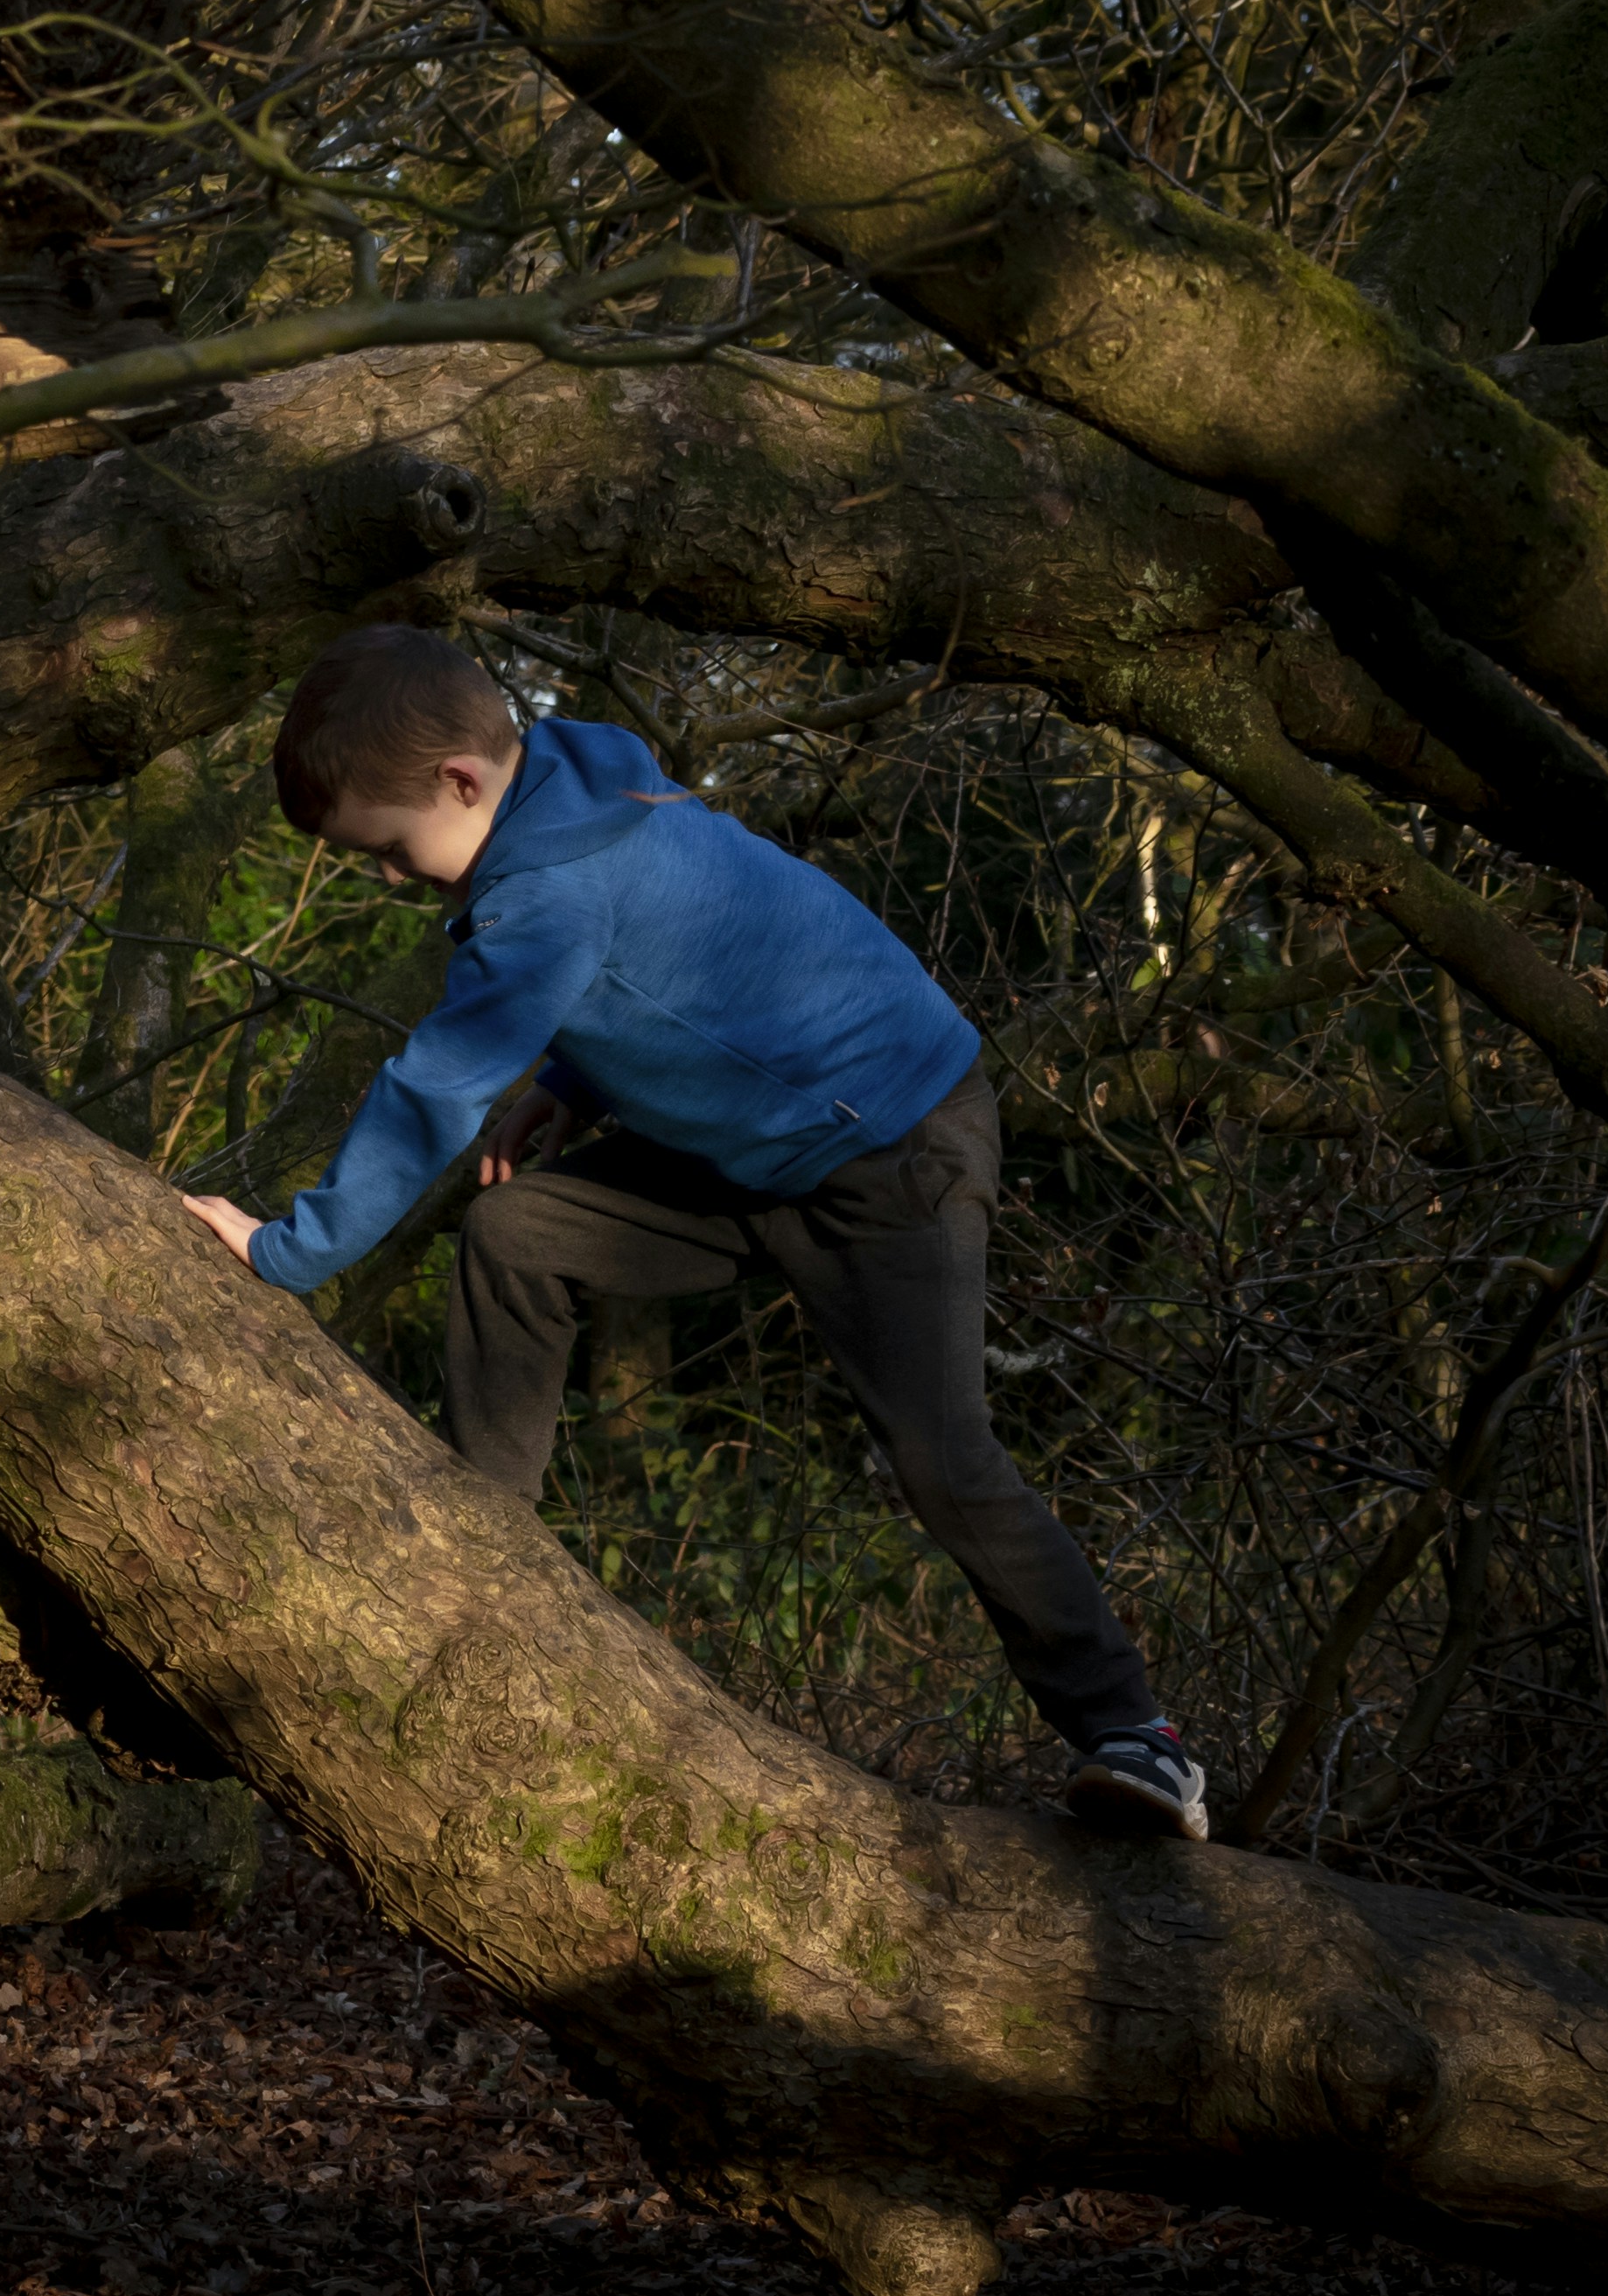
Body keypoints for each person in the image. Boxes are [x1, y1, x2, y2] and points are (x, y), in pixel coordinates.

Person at [176, 625, 1207, 1839]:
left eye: (391, 852)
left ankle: (1137, 1740)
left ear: (461, 782)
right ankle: (478, 1555)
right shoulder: (581, 781)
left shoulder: (544, 891)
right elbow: (688, 971)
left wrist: (283, 1251)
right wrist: (576, 1073)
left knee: (941, 1457)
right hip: (753, 1151)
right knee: (517, 1233)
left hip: (892, 1154)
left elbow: (432, 1090)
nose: (397, 881)